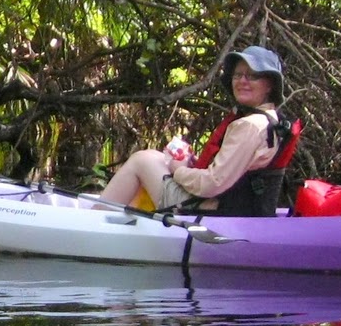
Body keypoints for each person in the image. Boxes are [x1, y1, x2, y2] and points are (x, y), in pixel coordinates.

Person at [99, 45, 298, 215]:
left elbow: (212, 183)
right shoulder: (272, 121)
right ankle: (114, 217)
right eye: (238, 75)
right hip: (231, 206)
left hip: (210, 210)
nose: (242, 81)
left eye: (252, 76)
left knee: (141, 160)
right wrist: (190, 165)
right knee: (154, 156)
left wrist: (179, 170)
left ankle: (95, 220)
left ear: (269, 85)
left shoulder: (250, 125)